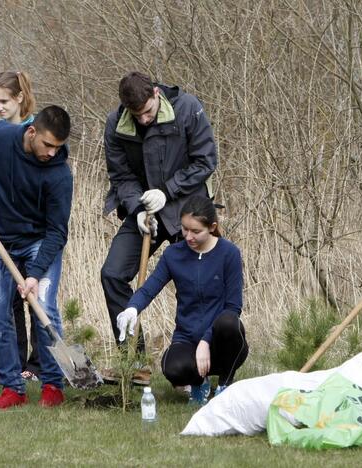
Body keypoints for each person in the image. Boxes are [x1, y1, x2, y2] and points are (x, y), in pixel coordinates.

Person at [101, 71, 218, 376]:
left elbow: (206, 160)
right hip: (144, 212)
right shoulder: (116, 124)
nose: (143, 120)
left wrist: (168, 191)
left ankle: (198, 363)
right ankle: (134, 361)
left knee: (197, 281)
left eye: (148, 112)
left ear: (156, 94)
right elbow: (121, 176)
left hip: (186, 209)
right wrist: (135, 208)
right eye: (136, 115)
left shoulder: (188, 108)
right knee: (112, 273)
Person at [0, 105, 73, 410]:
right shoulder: (1, 137)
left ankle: (53, 385)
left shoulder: (59, 176)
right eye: (48, 144)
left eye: (59, 147)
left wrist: (34, 275)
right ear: (31, 132)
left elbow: (57, 233)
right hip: (0, 239)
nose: (52, 153)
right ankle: (13, 389)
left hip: (41, 243)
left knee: (45, 311)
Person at [115, 196, 248, 405]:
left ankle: (225, 384)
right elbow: (150, 288)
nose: (188, 236)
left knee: (230, 322)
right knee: (172, 367)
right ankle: (198, 382)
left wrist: (206, 340)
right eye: (185, 229)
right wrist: (132, 308)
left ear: (212, 227)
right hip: (187, 337)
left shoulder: (229, 253)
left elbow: (233, 306)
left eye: (196, 231)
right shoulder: (173, 255)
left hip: (222, 338)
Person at [0, 70, 40, 381]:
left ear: (19, 98)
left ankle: (39, 364)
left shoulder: (37, 131)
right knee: (7, 302)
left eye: (4, 101)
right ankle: (17, 368)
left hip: (35, 230)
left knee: (39, 300)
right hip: (3, 230)